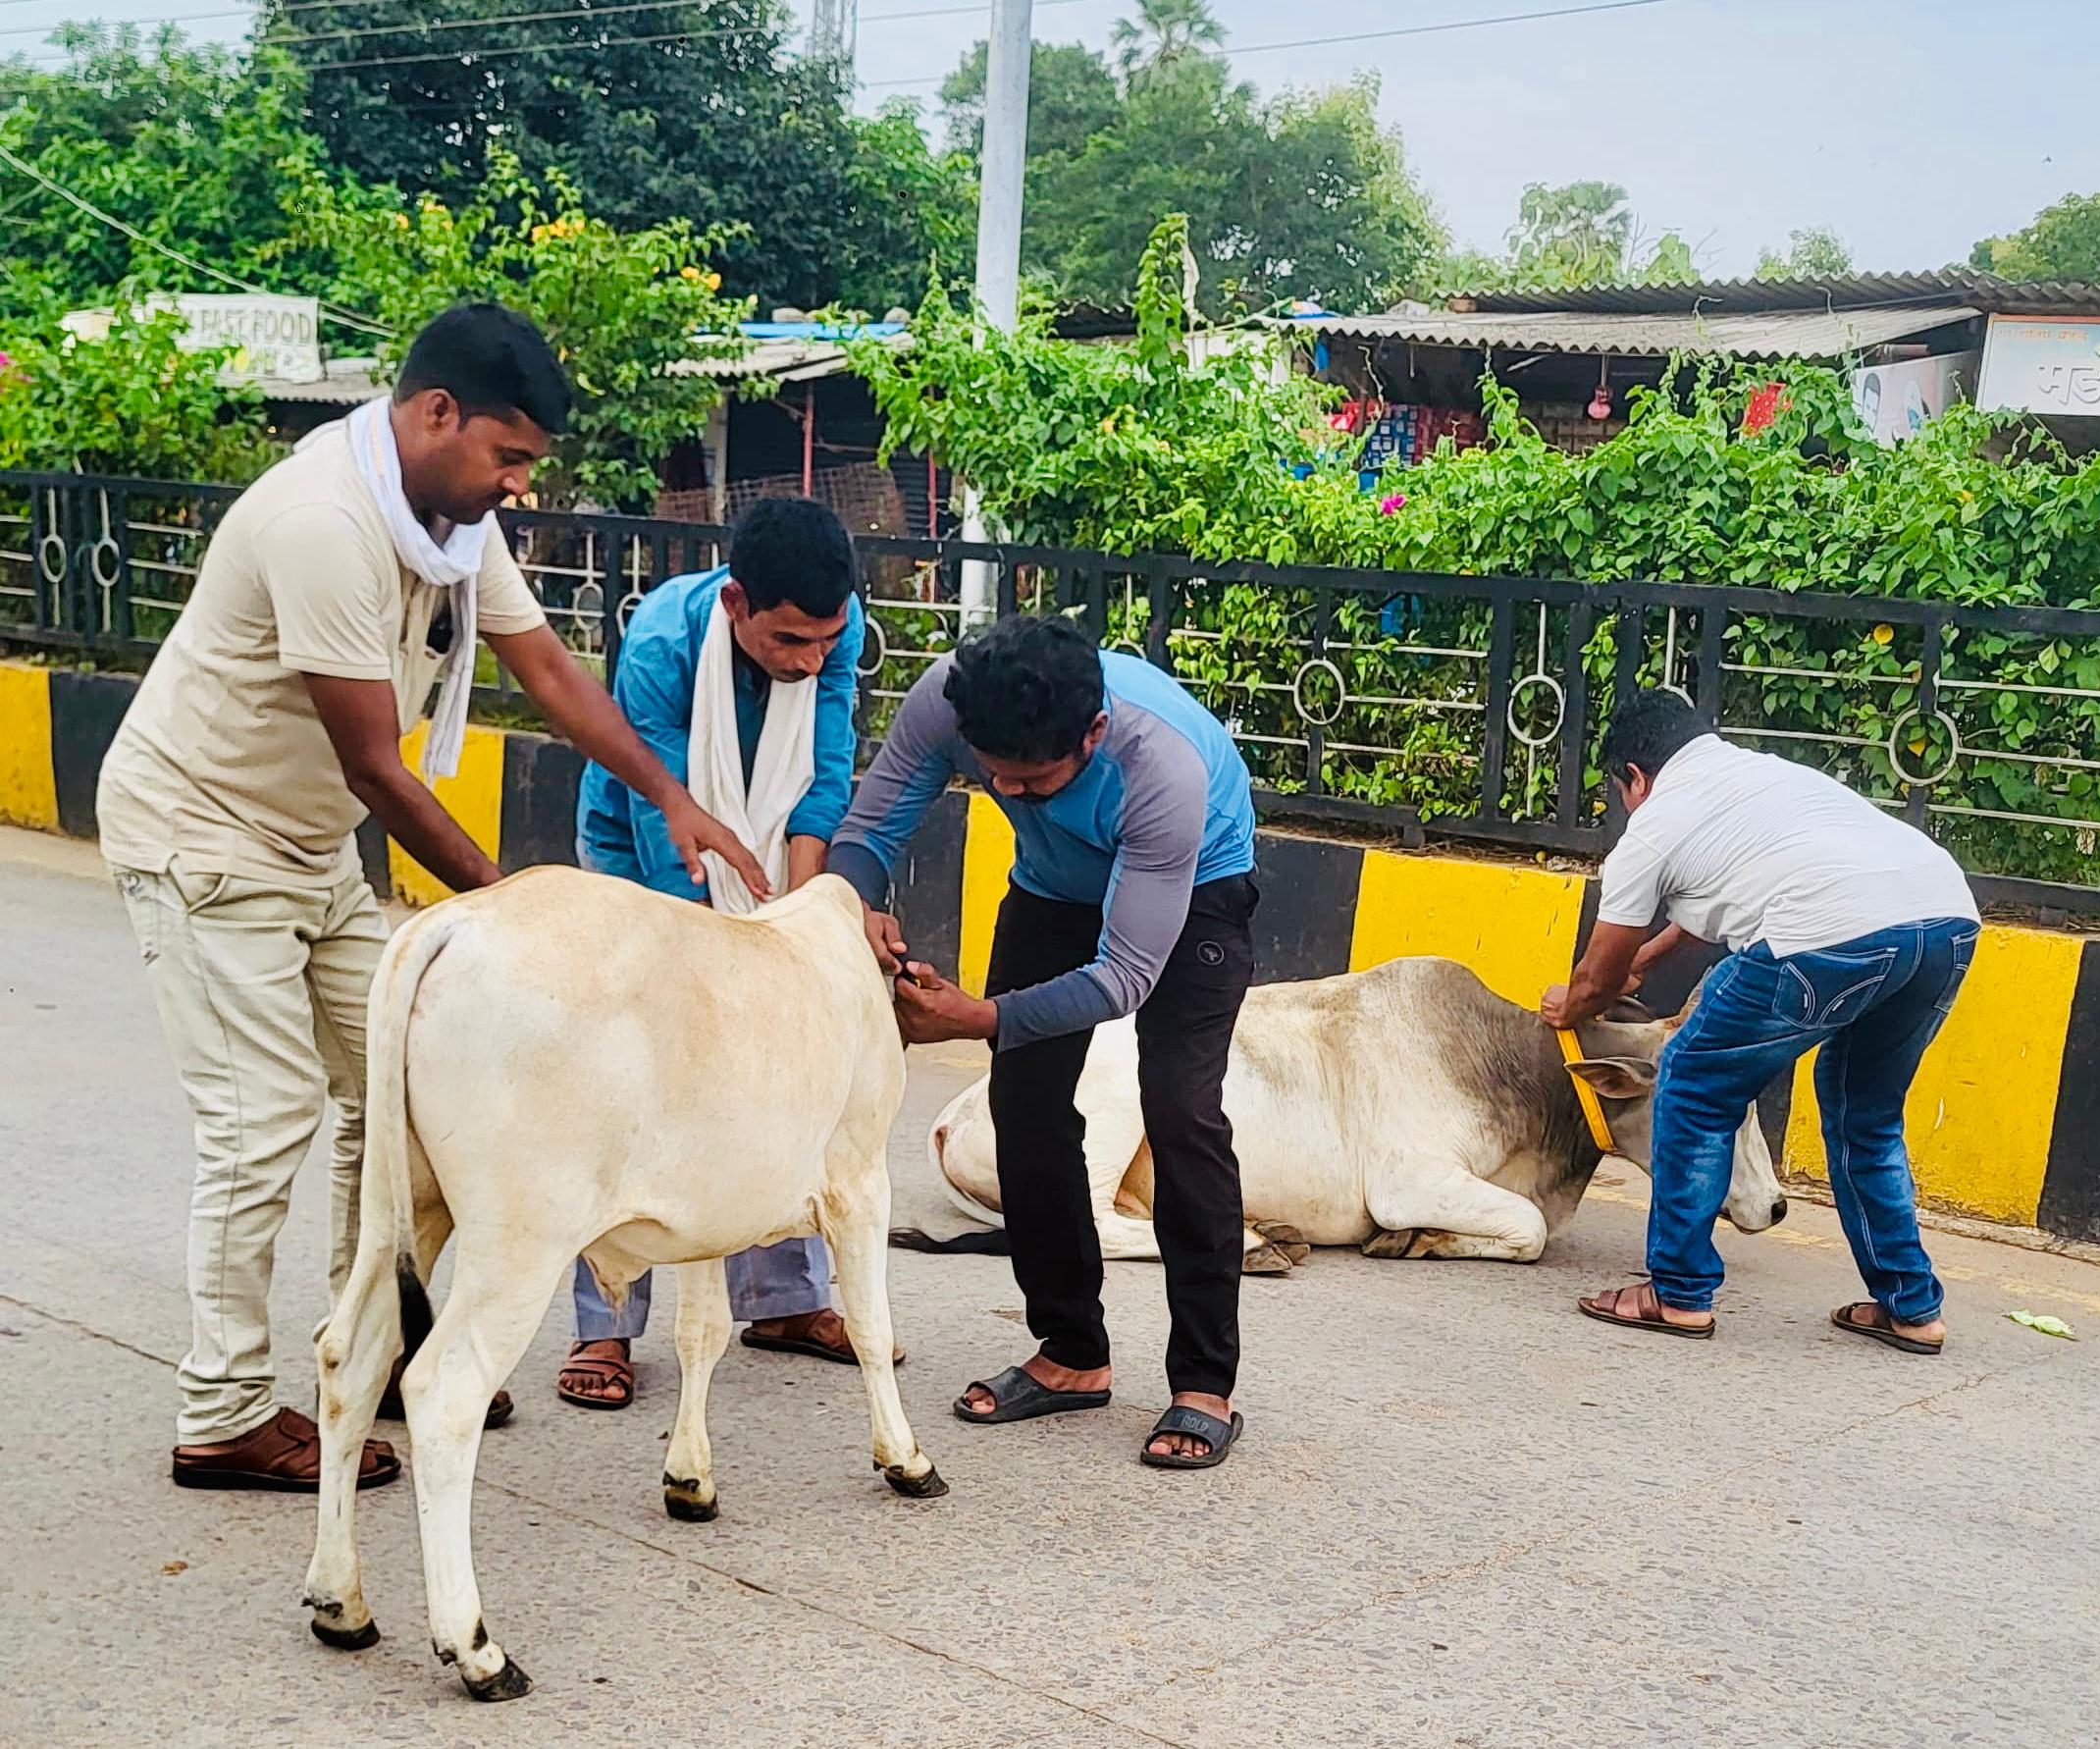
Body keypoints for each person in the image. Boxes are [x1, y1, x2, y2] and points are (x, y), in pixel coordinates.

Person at [98, 302, 764, 1493]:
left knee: (394, 1099)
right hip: (201, 842)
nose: (515, 485)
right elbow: (377, 766)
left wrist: (672, 796)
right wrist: (514, 912)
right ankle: (223, 1408)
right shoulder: (322, 522)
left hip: (308, 846)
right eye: (507, 457)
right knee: (262, 1124)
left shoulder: (449, 523)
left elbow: (548, 669)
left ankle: (385, 1346)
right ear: (434, 411)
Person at [825, 614, 1260, 1469]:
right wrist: (854, 910)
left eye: (1031, 782)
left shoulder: (1160, 769)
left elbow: (1125, 977)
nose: (1007, 792)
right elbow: (867, 835)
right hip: (1053, 888)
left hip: (1198, 888)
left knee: (1179, 1111)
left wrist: (978, 1017)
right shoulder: (950, 700)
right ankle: (1071, 1353)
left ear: (1092, 733)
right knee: (1021, 1103)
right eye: (992, 777)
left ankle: (1204, 1383)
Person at [556, 497, 902, 1409]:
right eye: (789, 640)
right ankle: (606, 1324)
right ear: (737, 605)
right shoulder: (665, 643)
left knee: (776, 1066)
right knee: (642, 1073)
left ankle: (782, 1302)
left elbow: (825, 774)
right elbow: (658, 811)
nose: (810, 659)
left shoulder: (833, 625)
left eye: (826, 641)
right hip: (641, 854)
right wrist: (716, 960)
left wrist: (790, 927)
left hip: (768, 850)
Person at [1542, 690, 1980, 1353]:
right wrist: (1647, 961)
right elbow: (1709, 911)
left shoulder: (1654, 823)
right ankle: (1911, 1307)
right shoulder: (1764, 776)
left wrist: (1568, 1007)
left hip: (1823, 931)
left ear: (1633, 776)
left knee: (1692, 1083)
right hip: (1945, 922)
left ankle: (1677, 1292)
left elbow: (1597, 977)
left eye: (1622, 790)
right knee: (1865, 1115)